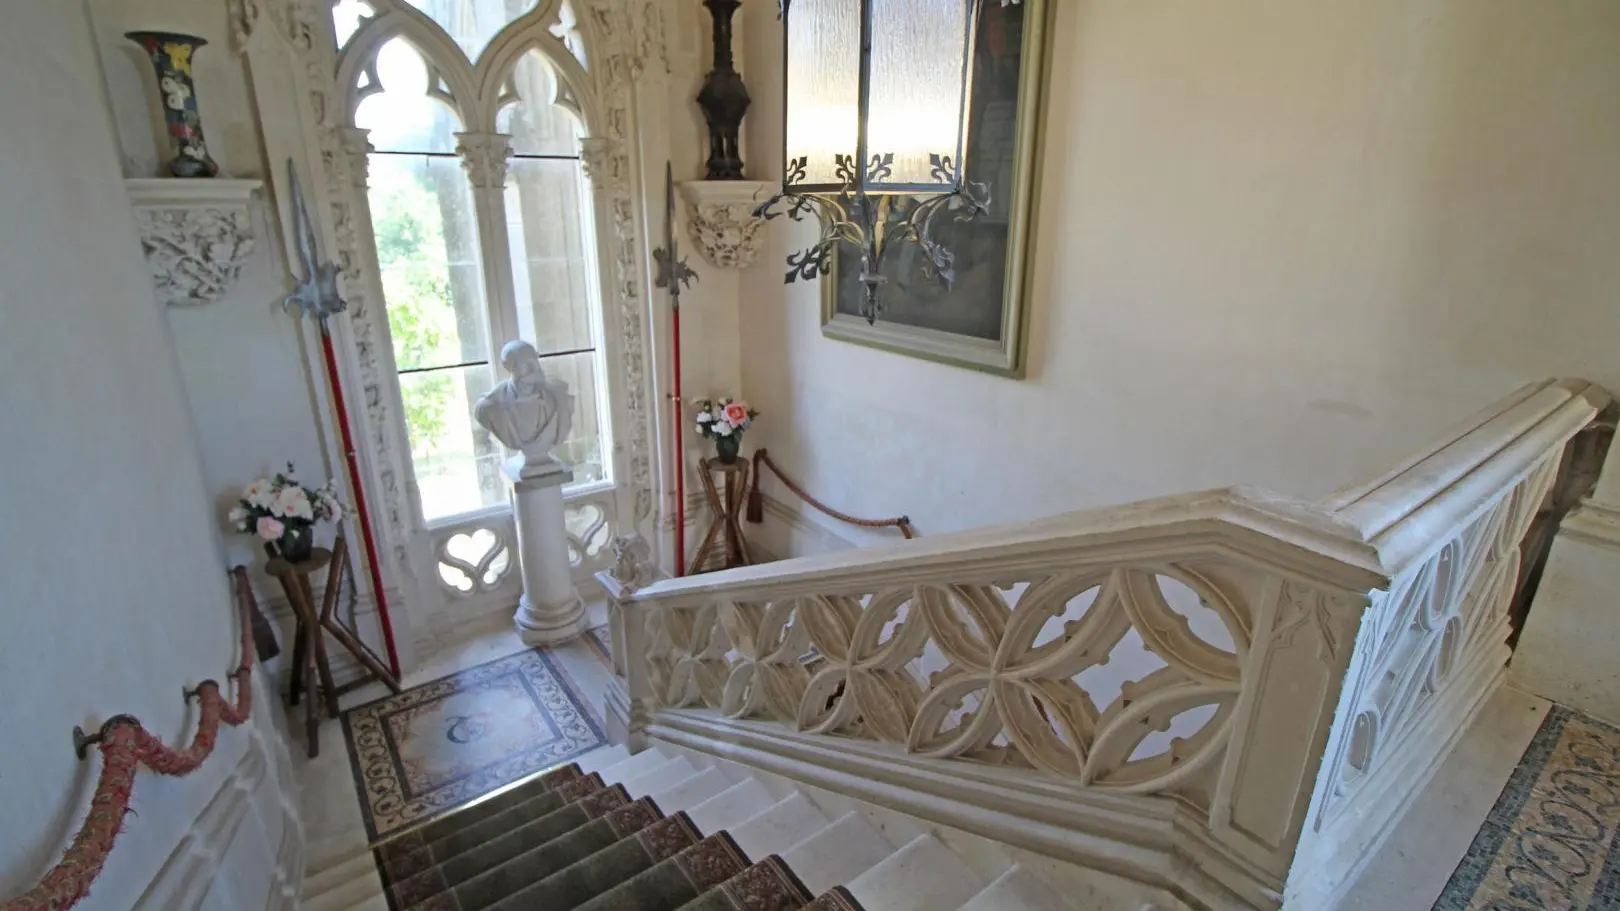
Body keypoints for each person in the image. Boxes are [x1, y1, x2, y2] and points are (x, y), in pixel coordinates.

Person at [473, 340, 573, 478]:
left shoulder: (559, 397)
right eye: (526, 364)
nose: (535, 369)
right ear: (509, 367)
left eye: (535, 361)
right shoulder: (492, 406)